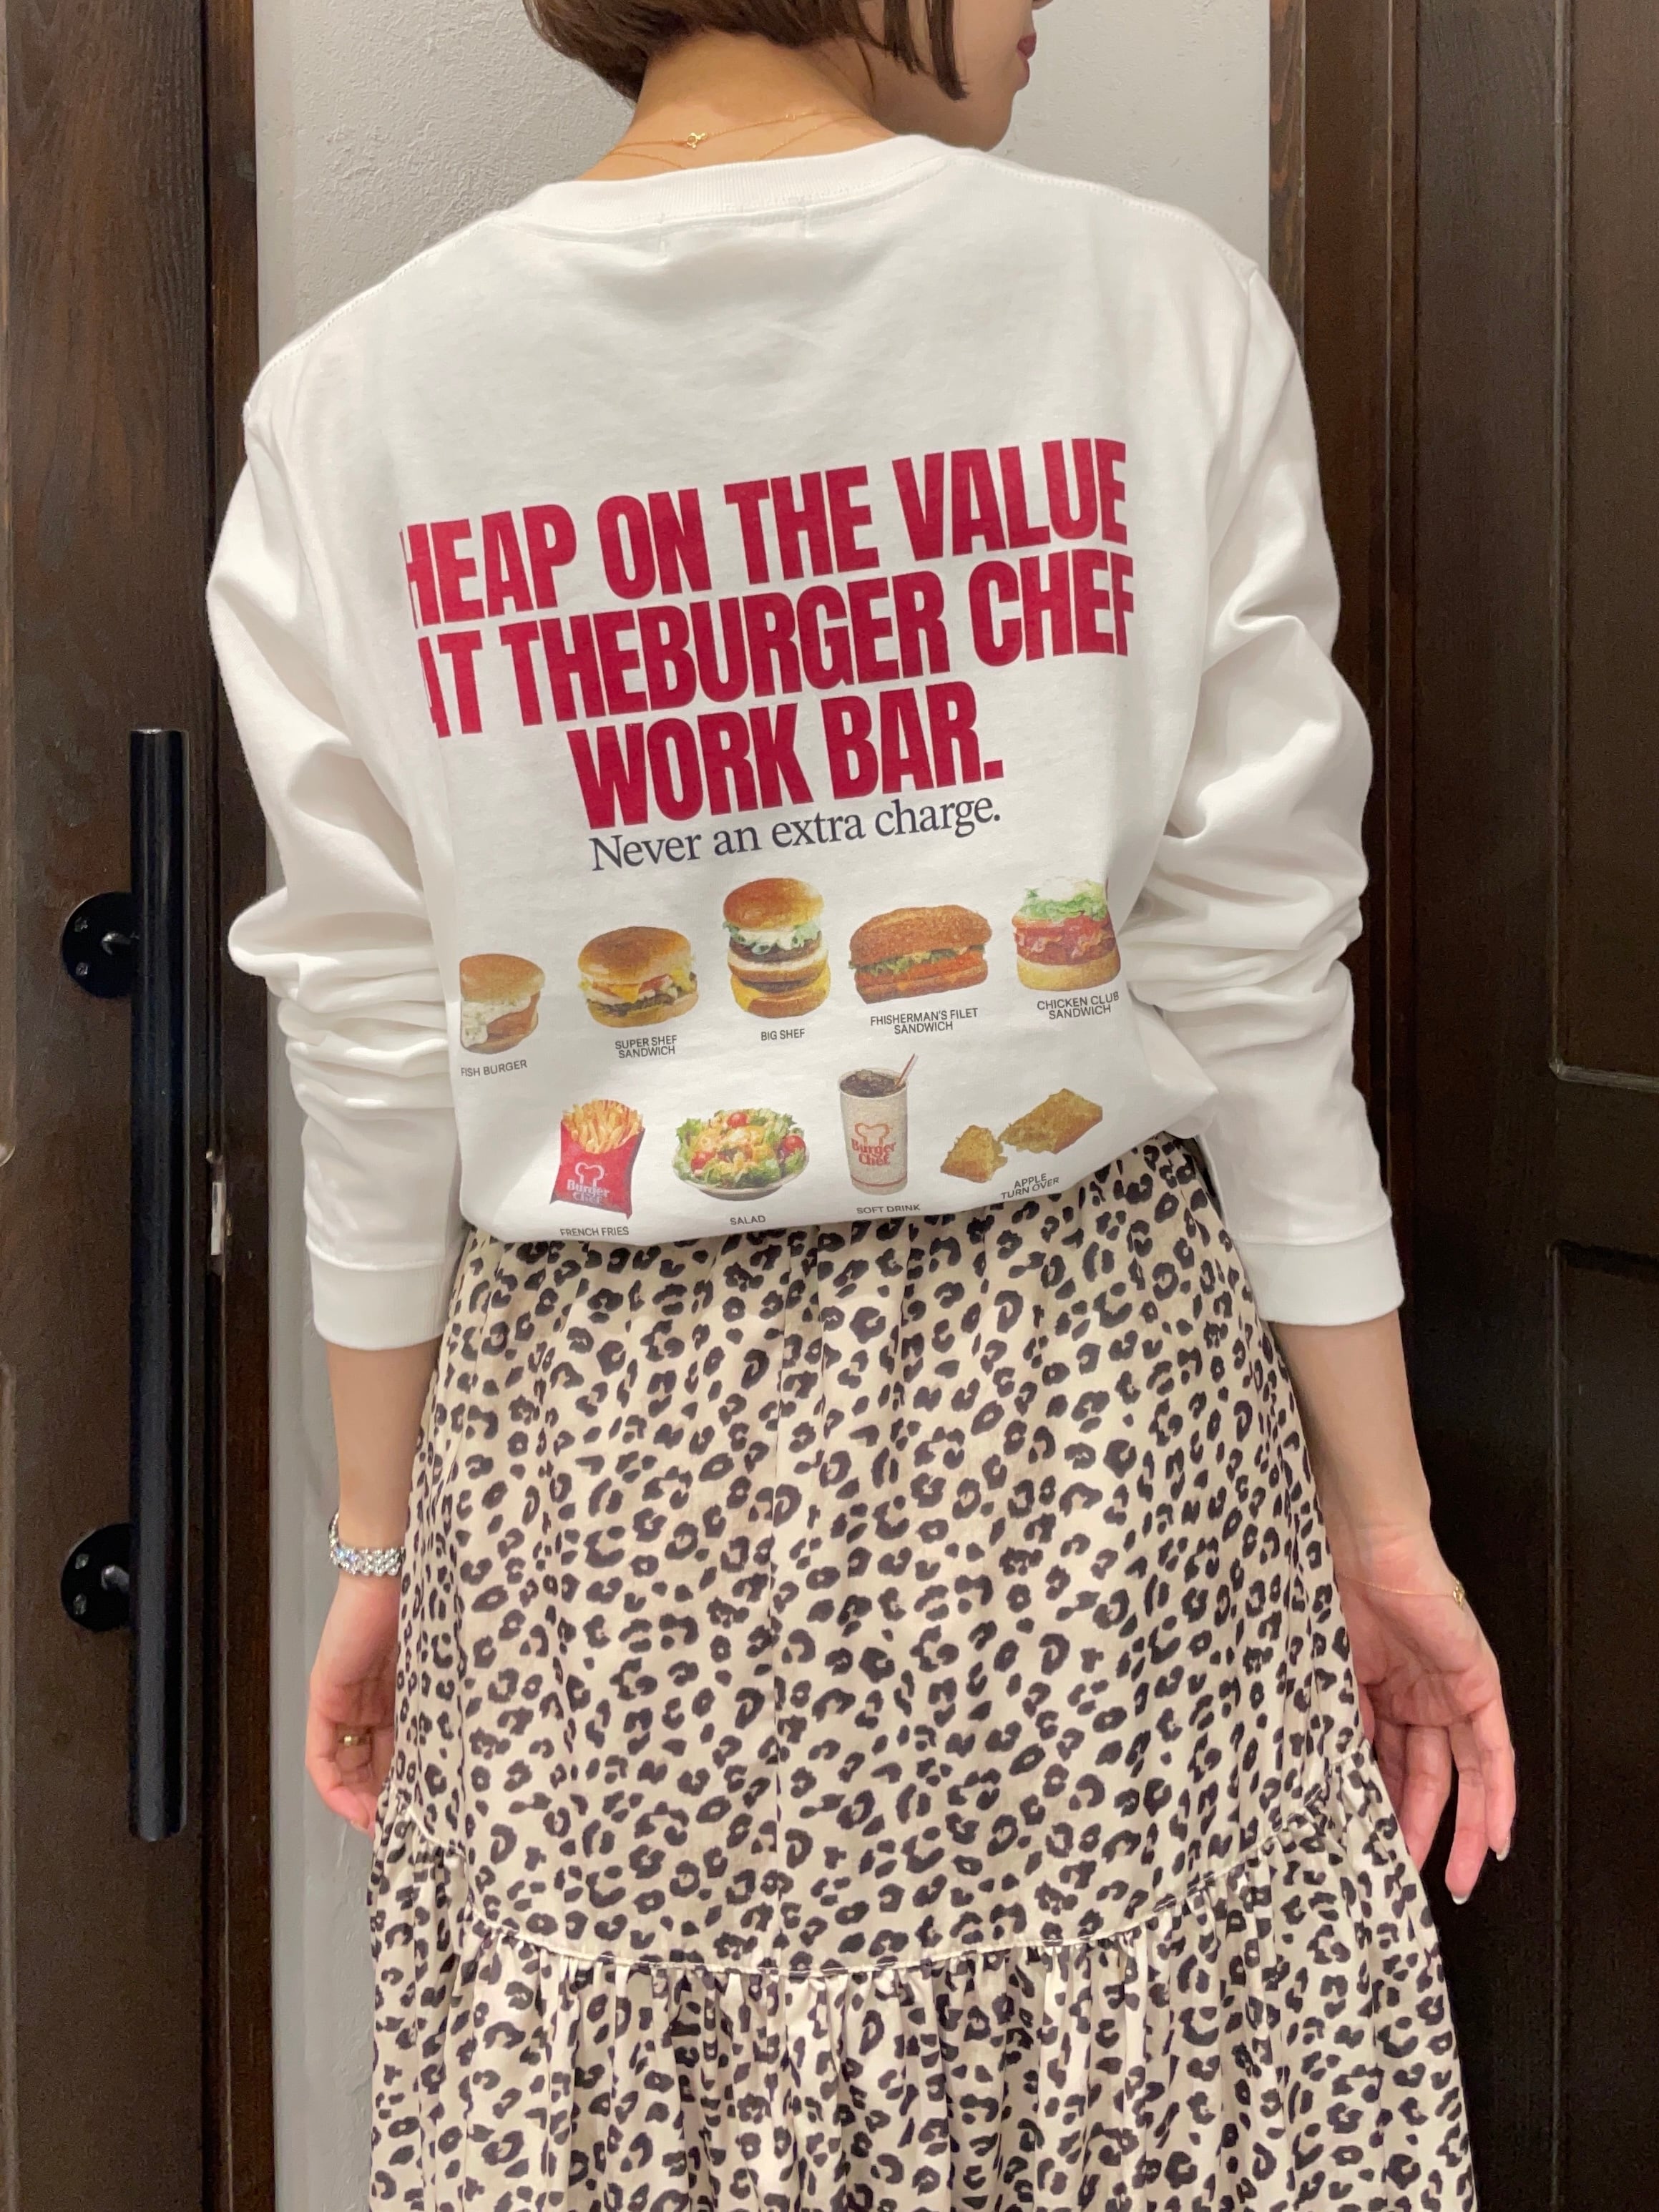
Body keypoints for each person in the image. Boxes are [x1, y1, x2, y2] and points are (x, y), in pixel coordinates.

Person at [209, 3, 1514, 2203]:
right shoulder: (1156, 307)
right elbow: (1263, 985)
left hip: (604, 1487)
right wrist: (1383, 1525)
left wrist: (379, 1546)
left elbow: (370, 1038)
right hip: (1083, 1434)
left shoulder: (355, 406)